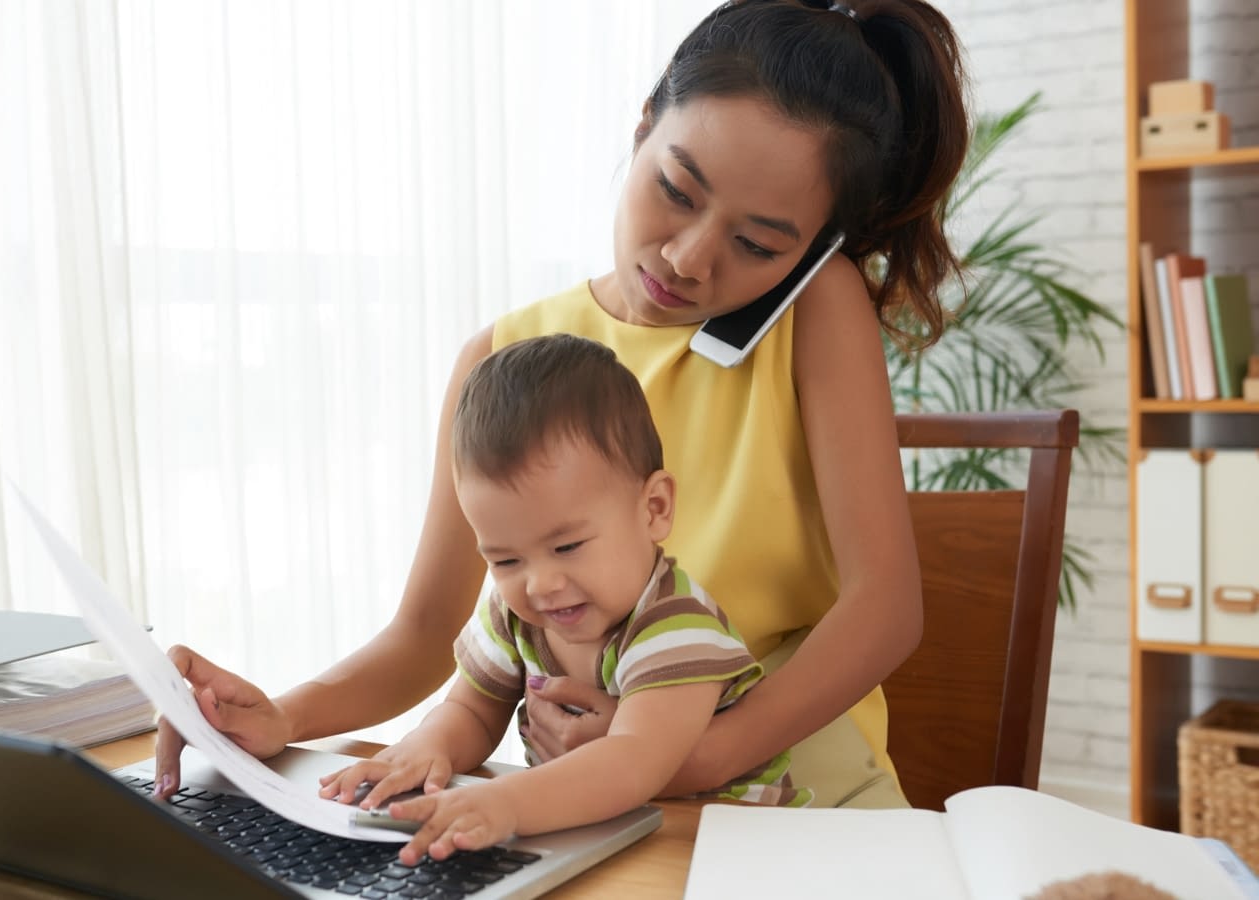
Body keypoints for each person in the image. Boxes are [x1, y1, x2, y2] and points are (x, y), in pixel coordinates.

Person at [156, 0, 968, 813]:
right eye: (677, 191)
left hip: (795, 806)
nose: (689, 258)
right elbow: (426, 639)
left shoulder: (818, 309)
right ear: (644, 124)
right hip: (593, 807)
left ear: (818, 245)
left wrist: (687, 757)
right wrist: (279, 717)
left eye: (758, 245)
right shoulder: (501, 356)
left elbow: (885, 610)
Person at [318, 333, 810, 862]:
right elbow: (472, 711)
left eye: (567, 545)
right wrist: (422, 752)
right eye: (505, 560)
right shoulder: (515, 615)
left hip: (728, 844)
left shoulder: (676, 627)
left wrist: (505, 802)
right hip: (605, 828)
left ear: (655, 508)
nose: (539, 584)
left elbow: (631, 762)